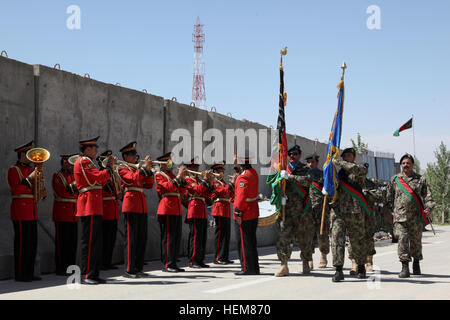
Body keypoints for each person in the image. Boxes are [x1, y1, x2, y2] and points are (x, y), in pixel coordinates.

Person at [74, 136, 116, 285]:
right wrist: (109, 168)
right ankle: (87, 274)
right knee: (90, 241)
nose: (97, 150)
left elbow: (101, 180)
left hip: (94, 204)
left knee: (96, 241)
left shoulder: (89, 162)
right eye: (94, 148)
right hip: (88, 205)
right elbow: (96, 178)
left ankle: (94, 272)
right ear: (87, 149)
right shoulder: (84, 161)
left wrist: (107, 171)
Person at [386, 153, 435, 278]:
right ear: (401, 165)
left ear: (413, 165)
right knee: (402, 240)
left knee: (416, 242)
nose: (405, 165)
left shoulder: (420, 180)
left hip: (416, 218)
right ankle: (404, 267)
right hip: (400, 217)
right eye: (403, 163)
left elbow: (428, 197)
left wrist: (428, 208)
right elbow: (388, 198)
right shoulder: (395, 180)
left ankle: (416, 263)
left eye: (408, 163)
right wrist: (390, 212)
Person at [7, 140, 46, 282]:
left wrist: (41, 192)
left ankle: (29, 272)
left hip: (31, 210)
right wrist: (30, 178)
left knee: (31, 243)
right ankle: (20, 273)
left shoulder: (31, 170)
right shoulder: (14, 170)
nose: (31, 158)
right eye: (29, 154)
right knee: (22, 244)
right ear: (22, 154)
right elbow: (16, 190)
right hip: (20, 210)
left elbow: (34, 190)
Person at [330, 147, 369, 282]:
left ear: (354, 158)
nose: (347, 158)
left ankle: (361, 266)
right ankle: (338, 270)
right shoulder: (337, 174)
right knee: (336, 240)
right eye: (344, 156)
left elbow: (356, 170)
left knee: (357, 240)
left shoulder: (360, 169)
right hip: (338, 211)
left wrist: (338, 162)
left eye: (349, 156)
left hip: (355, 211)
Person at [275, 145, 314, 276]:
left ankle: (305, 262)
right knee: (283, 237)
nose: (292, 156)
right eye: (290, 154)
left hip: (302, 210)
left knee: (304, 238)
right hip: (286, 210)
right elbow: (275, 185)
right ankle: (284, 264)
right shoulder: (282, 169)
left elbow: (308, 181)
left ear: (299, 155)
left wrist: (290, 177)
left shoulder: (305, 168)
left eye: (295, 154)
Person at [117, 142, 154, 278]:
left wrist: (149, 171)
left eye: (135, 155)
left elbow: (149, 185)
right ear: (125, 156)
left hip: (141, 204)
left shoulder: (137, 169)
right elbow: (133, 179)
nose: (135, 157)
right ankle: (129, 269)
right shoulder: (121, 168)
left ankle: (138, 267)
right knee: (131, 238)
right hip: (131, 204)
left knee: (141, 238)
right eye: (132, 155)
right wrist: (144, 169)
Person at [155, 152, 187, 272]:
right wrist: (179, 177)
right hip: (167, 208)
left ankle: (173, 262)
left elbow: (182, 191)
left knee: (176, 237)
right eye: (168, 162)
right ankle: (168, 263)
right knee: (169, 237)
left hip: (176, 208)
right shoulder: (159, 174)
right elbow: (167, 188)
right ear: (162, 164)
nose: (171, 164)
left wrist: (183, 179)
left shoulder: (172, 175)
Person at [184, 159, 215, 268]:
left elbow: (207, 195)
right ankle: (194, 260)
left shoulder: (198, 179)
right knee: (196, 236)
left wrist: (211, 183)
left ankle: (200, 259)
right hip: (194, 208)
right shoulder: (187, 179)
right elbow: (197, 190)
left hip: (202, 209)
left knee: (202, 237)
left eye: (196, 166)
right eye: (193, 167)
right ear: (188, 168)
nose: (196, 169)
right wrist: (205, 180)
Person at [233, 153, 260, 275]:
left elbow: (241, 197)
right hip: (253, 210)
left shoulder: (242, 177)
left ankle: (247, 268)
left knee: (244, 242)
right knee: (251, 241)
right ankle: (254, 267)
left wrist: (238, 213)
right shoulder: (253, 172)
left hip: (245, 212)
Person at [52, 154, 78, 276]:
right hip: (62, 213)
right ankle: (61, 267)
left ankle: (71, 267)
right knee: (62, 242)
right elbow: (62, 192)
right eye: (67, 163)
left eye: (71, 163)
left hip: (73, 213)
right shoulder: (57, 176)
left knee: (72, 243)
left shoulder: (74, 176)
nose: (70, 165)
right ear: (63, 164)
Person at [96, 150, 120, 271]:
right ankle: (102, 262)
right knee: (104, 237)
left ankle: (108, 261)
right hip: (105, 207)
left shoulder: (112, 173)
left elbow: (117, 190)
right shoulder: (101, 173)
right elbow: (104, 186)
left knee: (111, 237)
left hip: (113, 207)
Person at [305, 153, 330, 269]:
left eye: (313, 162)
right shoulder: (304, 174)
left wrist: (327, 190)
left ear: (317, 162)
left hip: (321, 209)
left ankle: (323, 256)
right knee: (308, 235)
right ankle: (309, 259)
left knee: (322, 233)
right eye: (308, 162)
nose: (310, 164)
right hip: (307, 209)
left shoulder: (322, 175)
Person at [210, 162, 235, 265]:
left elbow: (229, 194)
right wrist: (232, 184)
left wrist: (234, 186)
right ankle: (218, 258)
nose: (221, 172)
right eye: (219, 170)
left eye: (222, 170)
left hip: (225, 209)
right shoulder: (214, 182)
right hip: (219, 208)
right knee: (220, 235)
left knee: (226, 235)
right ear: (215, 172)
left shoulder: (223, 182)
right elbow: (221, 191)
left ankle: (224, 257)